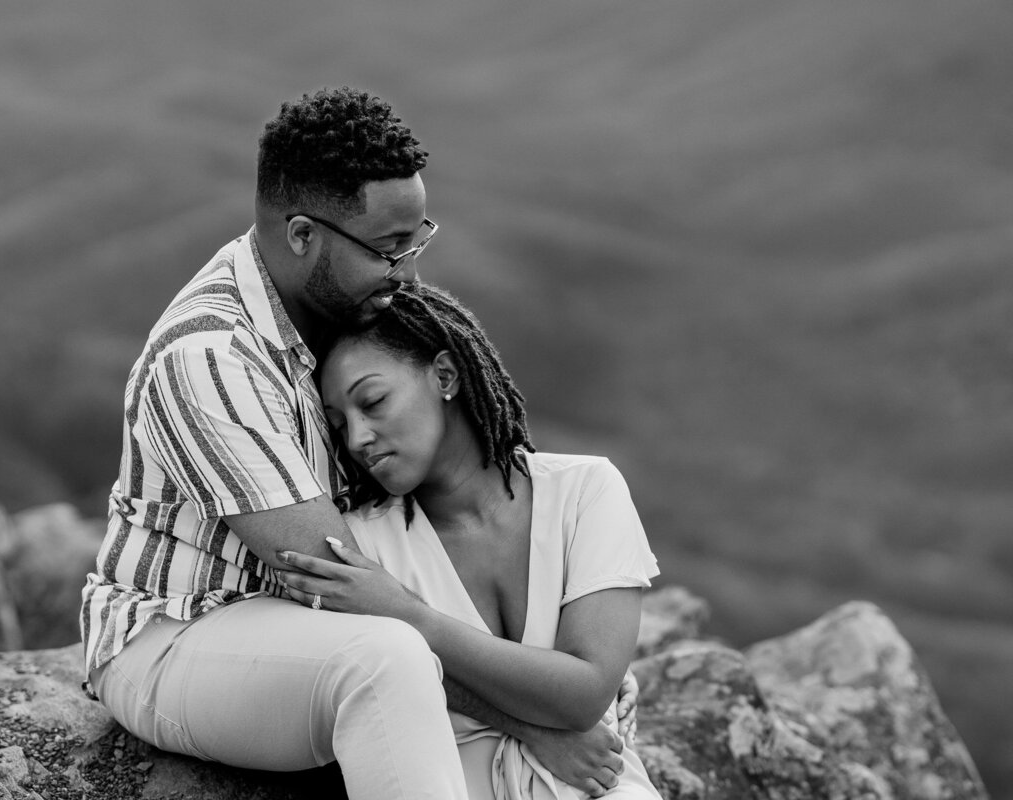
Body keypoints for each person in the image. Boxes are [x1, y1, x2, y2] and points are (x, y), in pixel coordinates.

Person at [80, 86, 636, 799]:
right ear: (303, 235)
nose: (408, 271)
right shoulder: (212, 357)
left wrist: (561, 681)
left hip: (294, 641)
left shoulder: (332, 322)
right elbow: (339, 587)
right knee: (384, 660)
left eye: (417, 240)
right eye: (387, 249)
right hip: (176, 639)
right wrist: (534, 722)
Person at [276, 282, 663, 799]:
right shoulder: (361, 547)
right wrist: (536, 729)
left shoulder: (585, 491)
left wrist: (409, 615)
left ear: (444, 375)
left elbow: (584, 695)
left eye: (373, 401)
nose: (358, 437)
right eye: (339, 424)